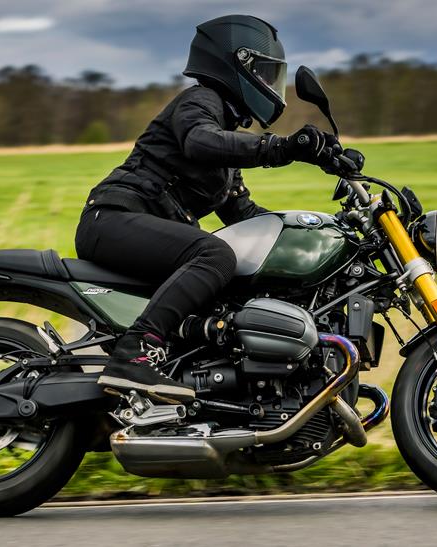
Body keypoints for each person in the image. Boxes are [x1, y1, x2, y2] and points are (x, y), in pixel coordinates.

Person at [76, 14, 341, 403]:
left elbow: (247, 216)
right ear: (236, 64)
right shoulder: (200, 101)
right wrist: (281, 148)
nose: (270, 85)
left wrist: (317, 230)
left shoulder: (225, 155)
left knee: (241, 268)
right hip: (114, 218)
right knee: (216, 254)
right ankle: (135, 351)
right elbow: (200, 142)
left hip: (134, 225)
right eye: (264, 73)